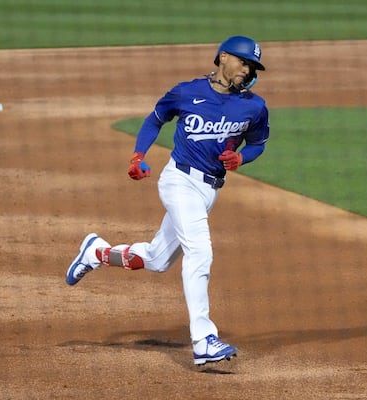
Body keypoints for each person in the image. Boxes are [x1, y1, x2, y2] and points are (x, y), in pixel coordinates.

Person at [66, 35, 270, 366]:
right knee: (200, 251)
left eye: (252, 67)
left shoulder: (254, 106)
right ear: (222, 58)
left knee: (158, 259)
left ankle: (96, 252)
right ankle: (204, 339)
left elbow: (258, 144)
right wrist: (137, 156)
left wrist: (242, 159)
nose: (247, 71)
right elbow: (155, 119)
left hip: (208, 191)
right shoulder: (187, 91)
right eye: (244, 62)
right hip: (179, 181)